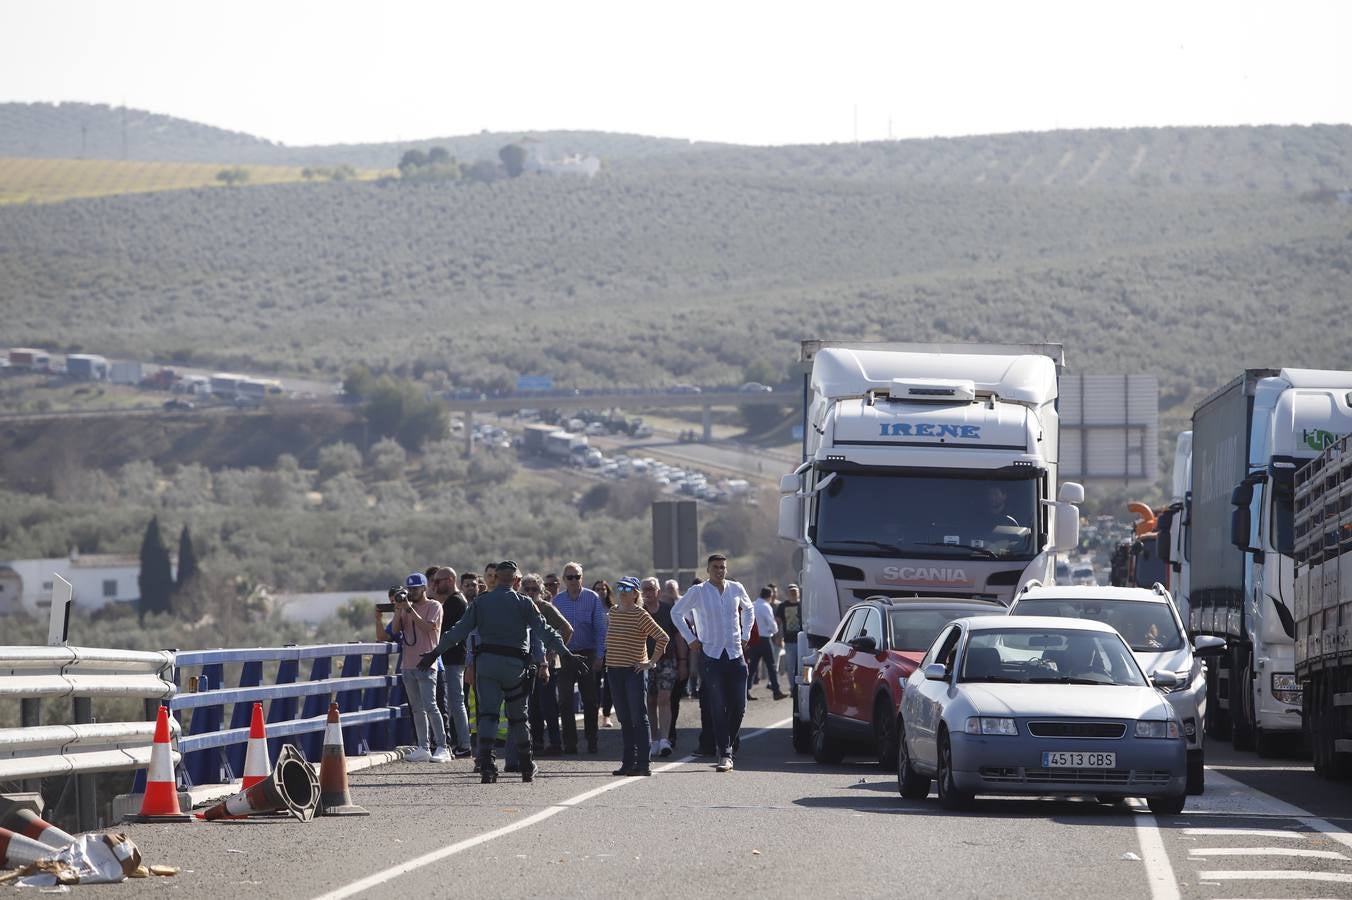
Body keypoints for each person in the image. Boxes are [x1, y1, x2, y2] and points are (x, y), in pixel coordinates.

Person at [422, 561, 583, 783]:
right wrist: (566, 653)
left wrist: (434, 653)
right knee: (518, 717)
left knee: (488, 715)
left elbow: (458, 632)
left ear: (496, 578)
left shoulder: (481, 603)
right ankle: (526, 765)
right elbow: (544, 631)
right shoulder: (524, 603)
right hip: (515, 667)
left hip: (487, 666)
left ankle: (487, 766)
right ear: (517, 581)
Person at [672, 555, 753, 773]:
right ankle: (725, 752)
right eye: (715, 567)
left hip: (735, 654)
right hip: (711, 655)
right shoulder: (698, 592)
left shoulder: (736, 588)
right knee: (716, 705)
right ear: (708, 570)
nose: (719, 571)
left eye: (723, 567)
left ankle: (727, 742)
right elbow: (676, 613)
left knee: (739, 707)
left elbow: (749, 609)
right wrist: (691, 639)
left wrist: (746, 634)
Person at [605, 577, 669, 776]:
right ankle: (628, 762)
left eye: (628, 588)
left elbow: (662, 637)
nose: (623, 591)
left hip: (634, 672)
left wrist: (650, 662)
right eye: (620, 587)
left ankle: (643, 763)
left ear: (635, 594)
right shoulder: (613, 612)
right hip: (613, 670)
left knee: (638, 718)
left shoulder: (641, 614)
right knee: (624, 718)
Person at [393, 573, 452, 763]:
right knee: (417, 709)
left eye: (415, 589)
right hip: (408, 665)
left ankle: (443, 746)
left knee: (431, 706)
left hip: (426, 664)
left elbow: (429, 629)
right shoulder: (405, 608)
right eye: (409, 589)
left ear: (424, 588)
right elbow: (395, 630)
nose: (412, 592)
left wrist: (409, 610)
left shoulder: (434, 606)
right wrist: (398, 609)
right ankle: (423, 747)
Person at [552, 561, 607, 753]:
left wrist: (600, 655)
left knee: (590, 699)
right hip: (566, 654)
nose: (574, 580)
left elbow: (601, 629)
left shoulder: (592, 598)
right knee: (565, 699)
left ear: (582, 578)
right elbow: (552, 629)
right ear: (565, 580)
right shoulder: (557, 601)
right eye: (570, 577)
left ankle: (592, 738)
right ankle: (570, 742)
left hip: (588, 653)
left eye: (577, 577)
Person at [521, 572, 572, 755]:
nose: (530, 592)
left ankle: (556, 743)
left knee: (548, 705)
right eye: (526, 589)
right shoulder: (520, 607)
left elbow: (567, 629)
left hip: (547, 665)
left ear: (541, 590)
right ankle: (537, 742)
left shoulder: (547, 608)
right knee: (532, 706)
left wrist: (554, 653)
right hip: (526, 664)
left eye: (534, 589)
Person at [430, 566, 472, 757]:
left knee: (456, 702)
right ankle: (460, 742)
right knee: (455, 702)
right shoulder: (456, 601)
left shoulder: (454, 602)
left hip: (453, 659)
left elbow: (439, 628)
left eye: (437, 581)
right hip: (454, 657)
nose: (434, 585)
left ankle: (464, 744)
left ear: (449, 580)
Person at [642, 576, 685, 758]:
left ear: (658, 592)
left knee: (664, 699)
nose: (648, 593)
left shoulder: (669, 611)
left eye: (651, 589)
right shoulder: (639, 612)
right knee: (650, 701)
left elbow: (678, 637)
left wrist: (683, 662)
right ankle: (653, 740)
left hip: (667, 660)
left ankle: (665, 739)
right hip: (645, 662)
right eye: (644, 590)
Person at [749, 587, 785, 700]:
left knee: (752, 667)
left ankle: (745, 691)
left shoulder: (753, 604)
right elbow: (772, 625)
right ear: (769, 596)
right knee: (771, 665)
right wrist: (774, 631)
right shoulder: (766, 606)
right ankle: (776, 691)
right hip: (764, 639)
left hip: (753, 639)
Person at [594, 579, 615, 728]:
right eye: (598, 589)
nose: (601, 592)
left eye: (603, 589)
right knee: (593, 685)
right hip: (594, 650)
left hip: (610, 650)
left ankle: (606, 716)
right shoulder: (590, 608)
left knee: (609, 685)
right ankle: (593, 714)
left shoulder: (612, 608)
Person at [775, 584, 804, 685]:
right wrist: (779, 636)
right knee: (791, 666)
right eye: (791, 592)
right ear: (788, 593)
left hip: (802, 641)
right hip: (788, 641)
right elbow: (778, 623)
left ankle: (803, 685)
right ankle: (792, 688)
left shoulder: (803, 604)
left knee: (802, 665)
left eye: (795, 591)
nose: (793, 593)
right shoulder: (782, 606)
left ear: (798, 592)